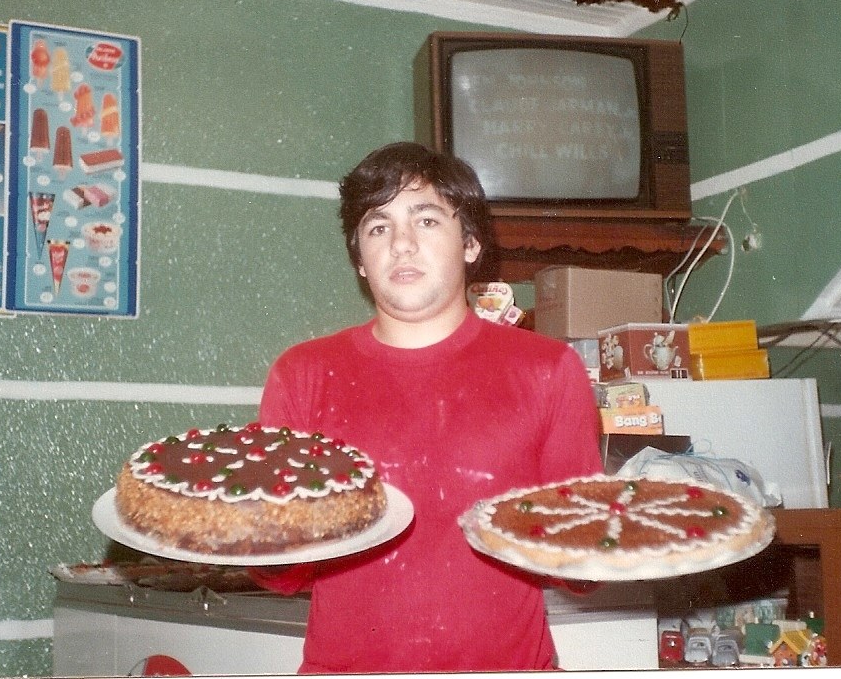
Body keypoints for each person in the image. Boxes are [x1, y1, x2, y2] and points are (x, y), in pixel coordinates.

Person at [251, 141, 603, 673]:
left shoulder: (549, 369)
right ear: (361, 262)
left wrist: (603, 535)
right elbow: (281, 574)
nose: (401, 244)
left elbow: (580, 569)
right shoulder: (301, 374)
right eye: (378, 227)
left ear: (470, 244)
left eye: (427, 219)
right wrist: (247, 530)